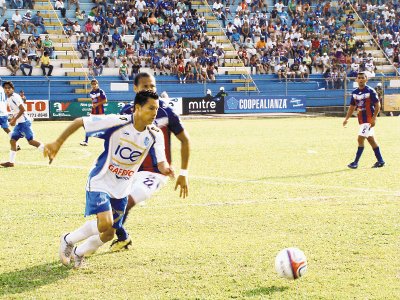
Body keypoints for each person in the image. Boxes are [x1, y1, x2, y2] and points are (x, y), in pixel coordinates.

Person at [50, 91, 174, 268]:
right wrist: (57, 143)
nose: (155, 112)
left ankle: (79, 252)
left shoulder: (155, 134)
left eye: (157, 108)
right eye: (151, 108)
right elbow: (80, 122)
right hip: (101, 179)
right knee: (105, 223)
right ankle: (67, 239)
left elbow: (161, 163)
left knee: (109, 234)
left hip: (122, 187)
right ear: (137, 108)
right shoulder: (118, 122)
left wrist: (167, 169)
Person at [110, 73, 190, 251]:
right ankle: (122, 237)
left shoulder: (166, 113)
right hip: (130, 171)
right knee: (114, 203)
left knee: (127, 201)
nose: (149, 89)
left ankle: (105, 236)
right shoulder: (125, 113)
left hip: (156, 173)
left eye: (152, 86)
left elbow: (185, 140)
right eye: (145, 86)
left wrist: (183, 173)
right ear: (136, 89)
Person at [343, 72, 385, 169]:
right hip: (361, 120)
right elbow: (352, 107)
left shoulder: (370, 91)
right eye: (359, 78)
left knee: (360, 138)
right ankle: (380, 161)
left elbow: (377, 105)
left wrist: (374, 118)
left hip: (369, 120)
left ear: (366, 79)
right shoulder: (354, 93)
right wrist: (346, 119)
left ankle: (355, 162)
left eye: (363, 78)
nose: (361, 79)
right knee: (371, 140)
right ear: (357, 80)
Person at [0, 81, 44, 168]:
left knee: (31, 141)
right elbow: (16, 110)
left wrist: (14, 120)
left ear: (12, 89)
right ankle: (11, 162)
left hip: (24, 122)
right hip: (19, 123)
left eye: (9, 88)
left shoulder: (14, 97)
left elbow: (23, 109)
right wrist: (14, 119)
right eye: (5, 88)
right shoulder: (9, 98)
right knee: (13, 141)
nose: (7, 90)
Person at [80, 79, 107, 146]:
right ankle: (86, 141)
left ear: (97, 84)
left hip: (100, 113)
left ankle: (109, 140)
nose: (94, 85)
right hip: (93, 112)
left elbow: (105, 100)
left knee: (105, 127)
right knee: (87, 124)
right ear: (91, 85)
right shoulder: (91, 92)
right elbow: (94, 101)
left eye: (95, 84)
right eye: (93, 84)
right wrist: (93, 105)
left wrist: (97, 104)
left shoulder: (100, 91)